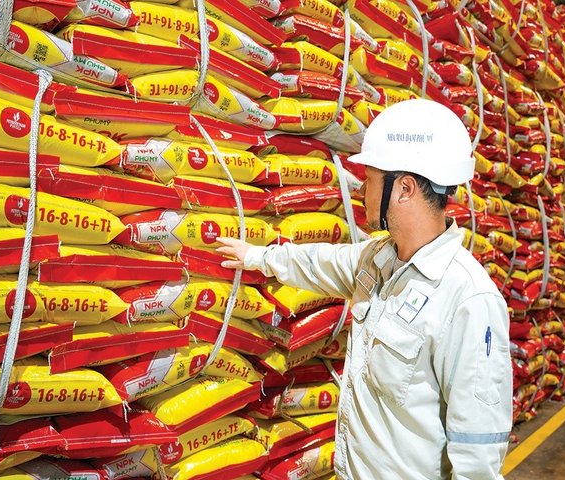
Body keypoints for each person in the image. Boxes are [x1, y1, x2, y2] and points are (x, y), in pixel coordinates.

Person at [216, 98, 513, 479]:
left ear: (404, 189)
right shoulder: (377, 259)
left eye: (370, 180)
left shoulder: (466, 298)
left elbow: (478, 455)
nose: (361, 192)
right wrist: (257, 256)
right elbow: (319, 262)